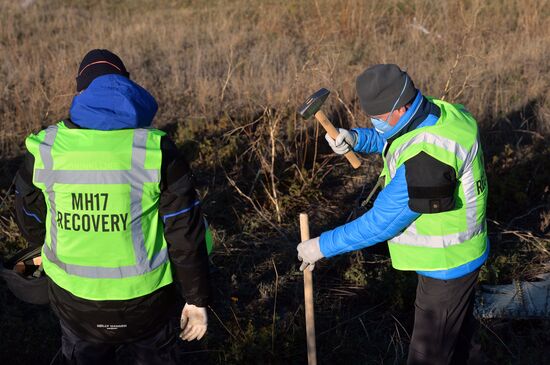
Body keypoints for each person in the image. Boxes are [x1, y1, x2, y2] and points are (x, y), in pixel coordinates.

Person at [14, 49, 212, 364]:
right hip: (147, 307)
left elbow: (29, 216)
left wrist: (58, 236)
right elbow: (185, 235)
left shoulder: (46, 148)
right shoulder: (158, 152)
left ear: (81, 90)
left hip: (74, 305)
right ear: (126, 85)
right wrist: (196, 300)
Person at [297, 64, 488, 364]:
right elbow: (398, 138)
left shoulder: (429, 160)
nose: (374, 122)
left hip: (447, 265)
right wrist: (356, 138)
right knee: (461, 346)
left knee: (427, 356)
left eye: (377, 118)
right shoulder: (440, 113)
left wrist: (320, 246)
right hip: (459, 257)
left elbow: (381, 223)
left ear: (400, 108)